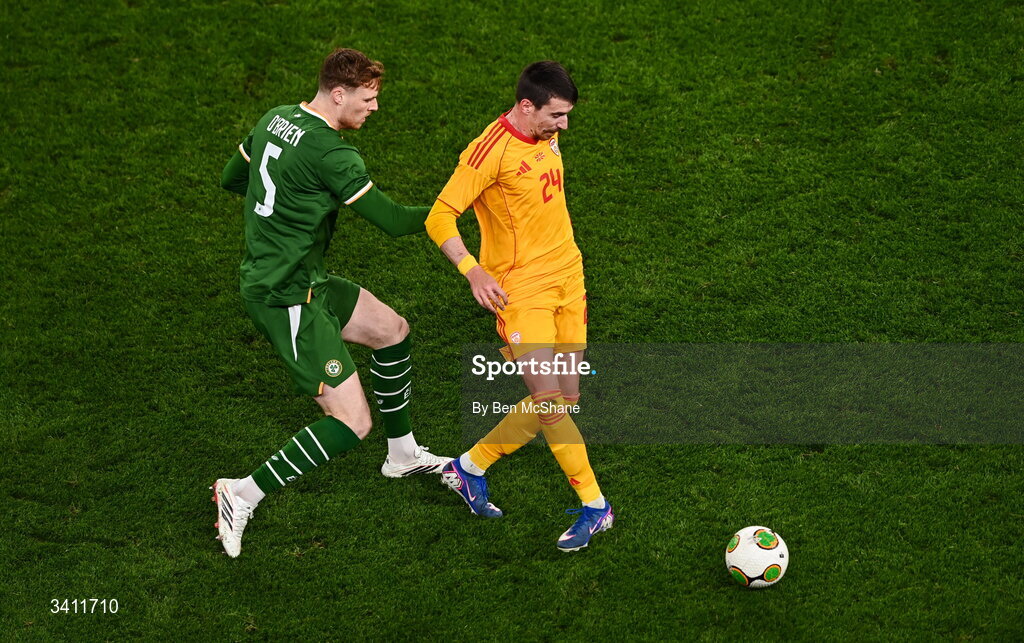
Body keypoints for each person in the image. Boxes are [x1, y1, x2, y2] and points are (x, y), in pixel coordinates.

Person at [213, 48, 451, 558]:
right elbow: (392, 221)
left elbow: (233, 178)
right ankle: (240, 493)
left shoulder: (275, 118)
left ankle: (403, 454)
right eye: (367, 100)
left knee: (392, 329)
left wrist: (284, 218)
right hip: (285, 297)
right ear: (338, 93)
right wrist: (458, 205)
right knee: (352, 422)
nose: (374, 109)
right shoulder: (334, 154)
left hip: (303, 278)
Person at [426, 61, 613, 552]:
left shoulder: (544, 131)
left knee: (565, 400)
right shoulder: (490, 152)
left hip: (570, 281)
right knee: (551, 403)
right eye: (557, 115)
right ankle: (597, 507)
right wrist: (473, 270)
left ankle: (468, 467)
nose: (564, 126)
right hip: (521, 293)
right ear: (526, 106)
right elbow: (440, 215)